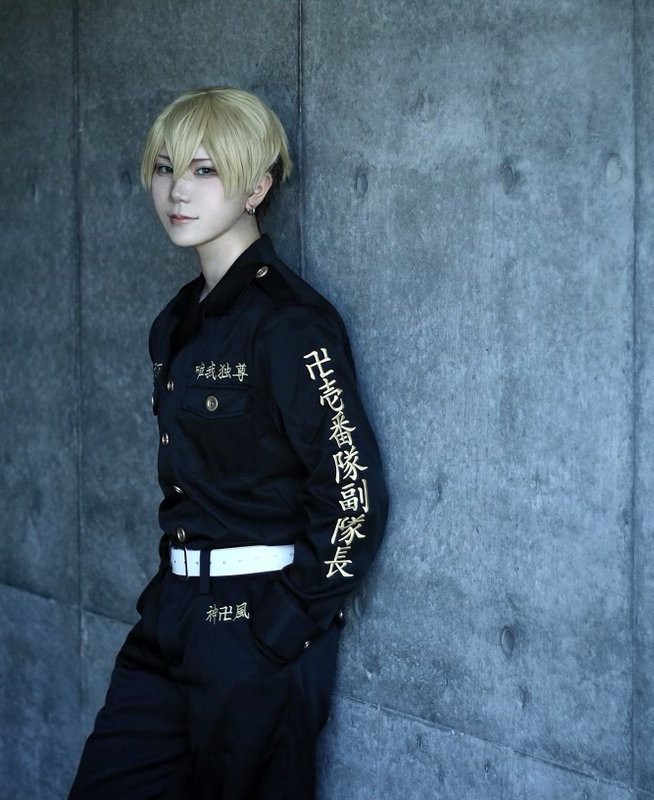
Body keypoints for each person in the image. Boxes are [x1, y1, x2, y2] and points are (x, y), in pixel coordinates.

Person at [70, 87, 389, 800]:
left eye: (205, 170)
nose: (177, 190)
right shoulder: (174, 324)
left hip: (255, 625)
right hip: (171, 614)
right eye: (165, 167)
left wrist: (283, 627)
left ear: (258, 187)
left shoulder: (291, 324)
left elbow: (353, 495)